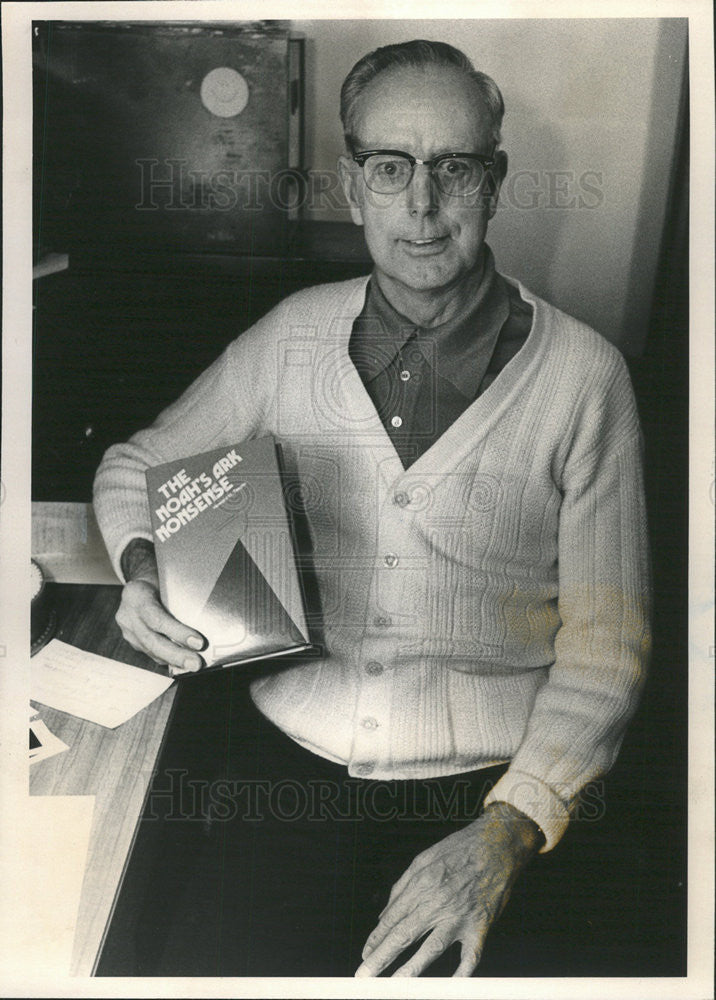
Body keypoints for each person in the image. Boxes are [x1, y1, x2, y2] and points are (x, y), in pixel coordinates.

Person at [93, 39, 651, 977]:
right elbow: (136, 464)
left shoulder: (586, 378)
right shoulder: (290, 336)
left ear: (496, 182)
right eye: (390, 169)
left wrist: (510, 830)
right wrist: (144, 569)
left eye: (454, 169)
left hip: (487, 797)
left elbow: (609, 649)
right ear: (353, 190)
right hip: (282, 769)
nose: (423, 206)